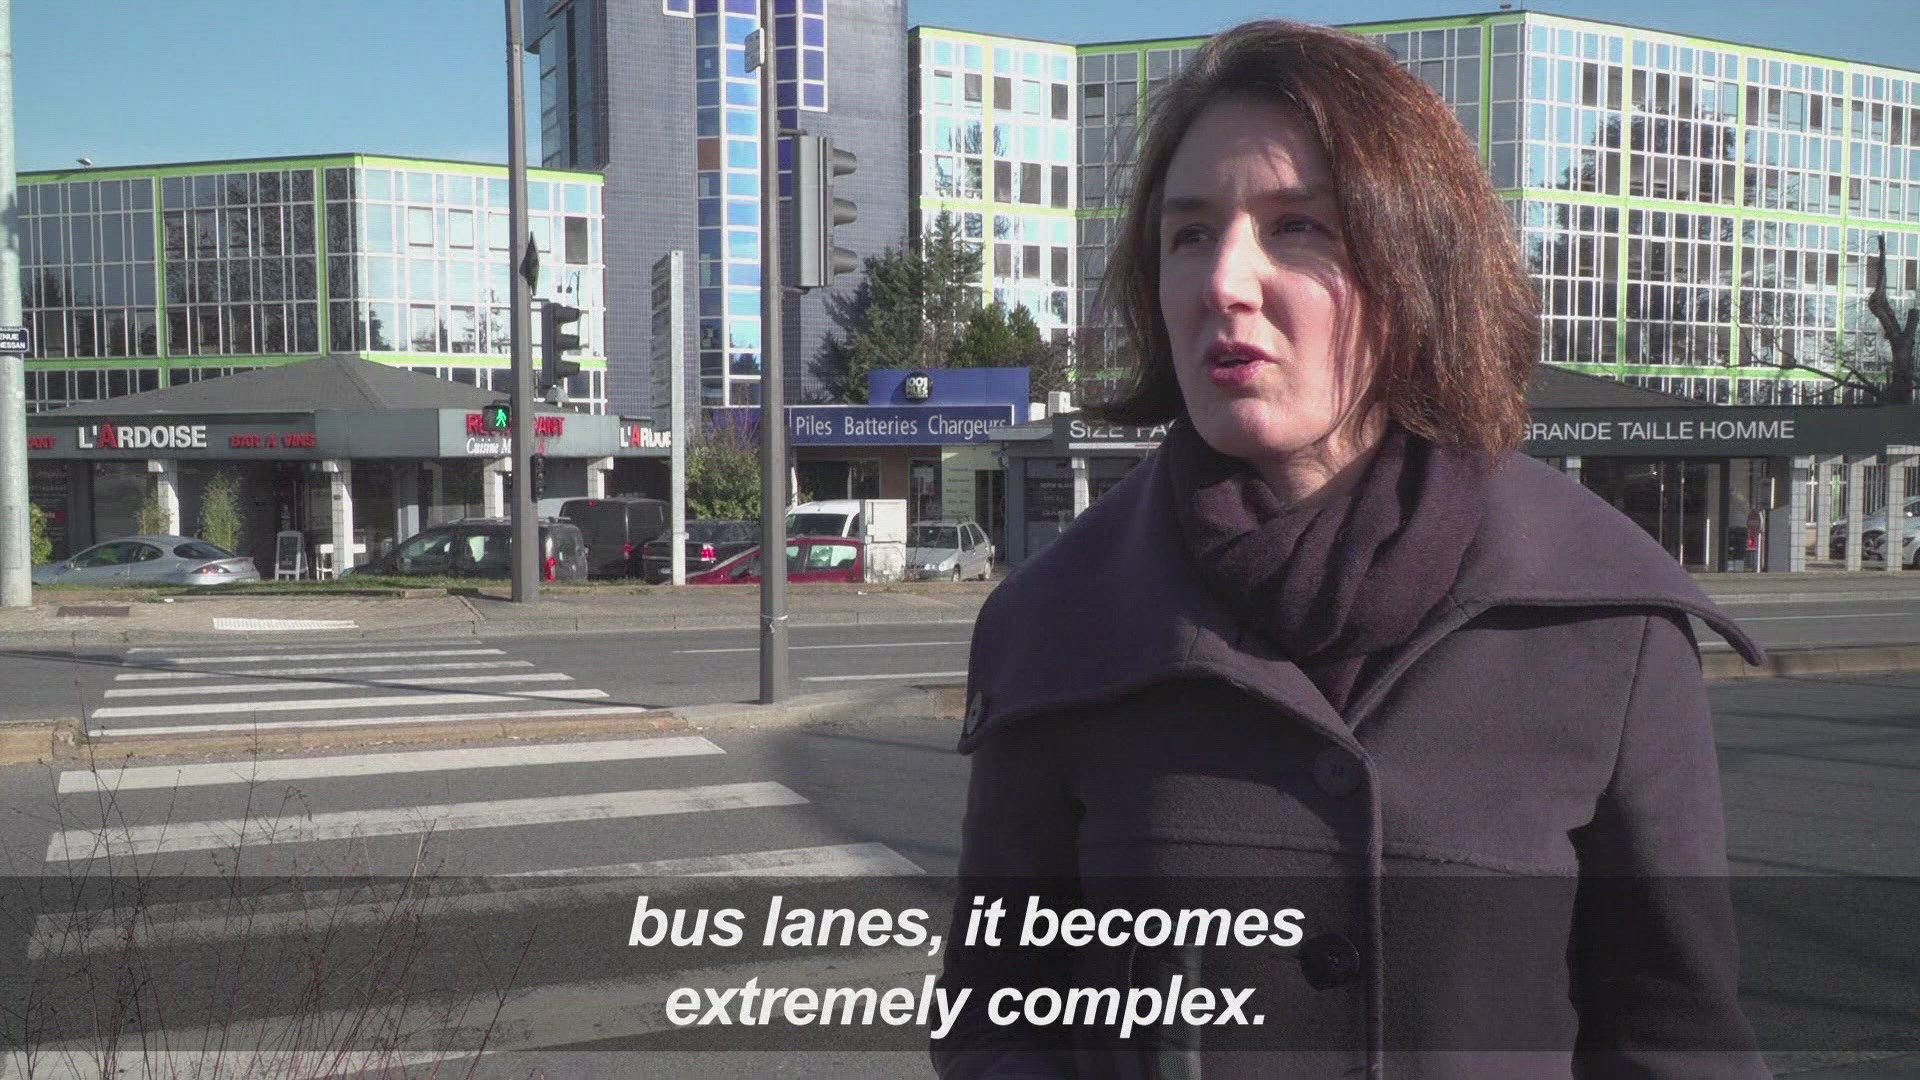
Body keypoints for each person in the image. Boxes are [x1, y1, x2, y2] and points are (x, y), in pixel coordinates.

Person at [933, 19, 1769, 1079]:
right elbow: (999, 1026)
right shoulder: (1055, 625)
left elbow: (1678, 1046)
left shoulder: (1606, 622)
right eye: (1189, 234)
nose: (1224, 281)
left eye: (1298, 227)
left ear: (1417, 265)